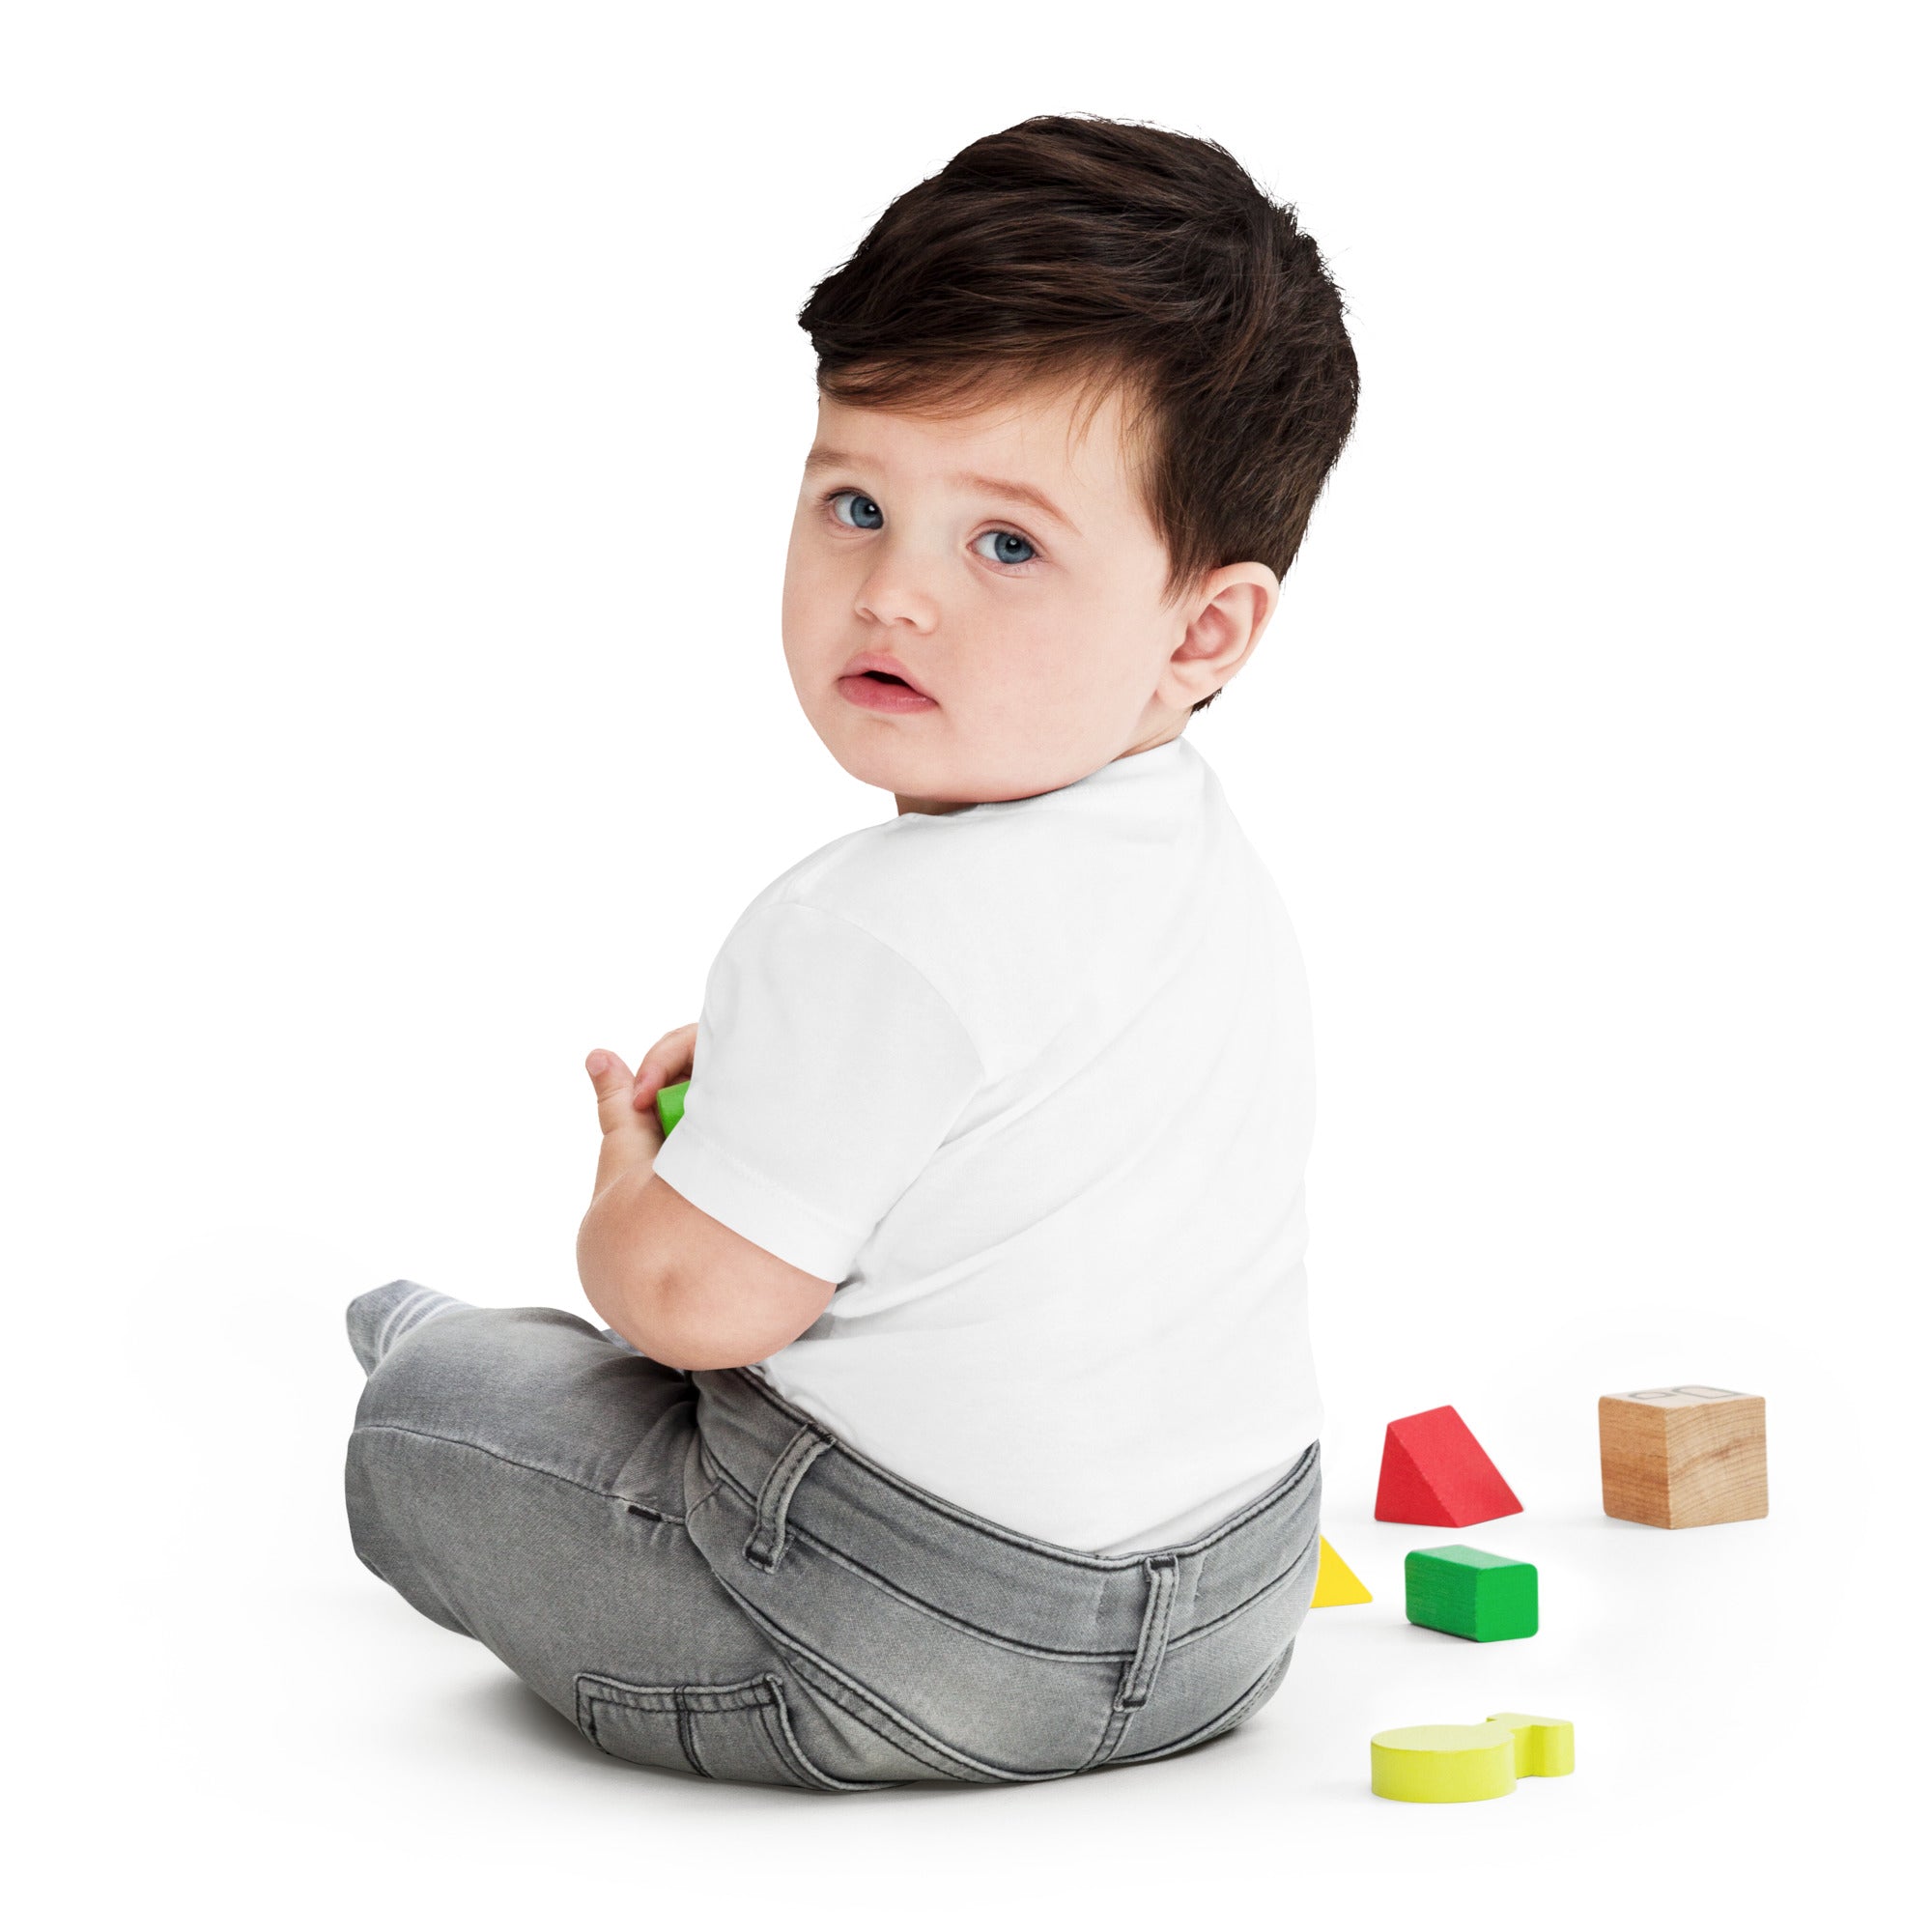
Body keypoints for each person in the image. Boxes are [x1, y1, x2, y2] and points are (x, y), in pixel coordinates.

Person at [345, 113, 1359, 1790]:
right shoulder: (1196, 853)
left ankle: (431, 1346)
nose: (891, 594)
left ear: (1201, 630)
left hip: (908, 1634)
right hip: (1237, 1607)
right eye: (856, 502)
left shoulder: (855, 930)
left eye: (1006, 545)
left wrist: (629, 1200)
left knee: (442, 1427)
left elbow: (693, 1311)